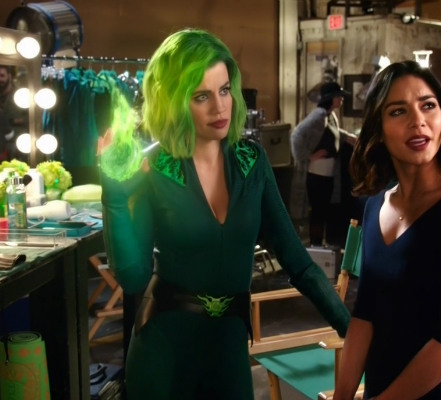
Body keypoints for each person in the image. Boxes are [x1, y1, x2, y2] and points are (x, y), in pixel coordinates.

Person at [98, 28, 350, 399]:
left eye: (224, 90)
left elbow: (298, 262)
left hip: (230, 346)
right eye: (201, 96)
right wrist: (115, 197)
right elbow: (133, 277)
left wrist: (351, 329)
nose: (220, 107)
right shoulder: (152, 166)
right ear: (173, 102)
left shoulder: (251, 161)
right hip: (163, 350)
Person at [333, 61, 441, 400]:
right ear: (378, 129)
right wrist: (342, 395)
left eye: (428, 105)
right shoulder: (374, 206)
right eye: (398, 111)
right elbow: (364, 315)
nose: (418, 121)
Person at [290, 81, 358, 246]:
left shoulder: (330, 116)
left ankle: (321, 243)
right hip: (317, 174)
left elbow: (333, 132)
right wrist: (308, 156)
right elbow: (296, 135)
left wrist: (348, 137)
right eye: (339, 97)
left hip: (326, 173)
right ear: (331, 98)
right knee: (318, 211)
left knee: (324, 210)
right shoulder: (319, 116)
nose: (341, 100)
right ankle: (316, 244)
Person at [0, 65, 28, 160]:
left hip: (19, 145)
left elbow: (33, 119)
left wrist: (15, 121)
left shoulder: (22, 95)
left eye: (2, 76)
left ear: (9, 75)